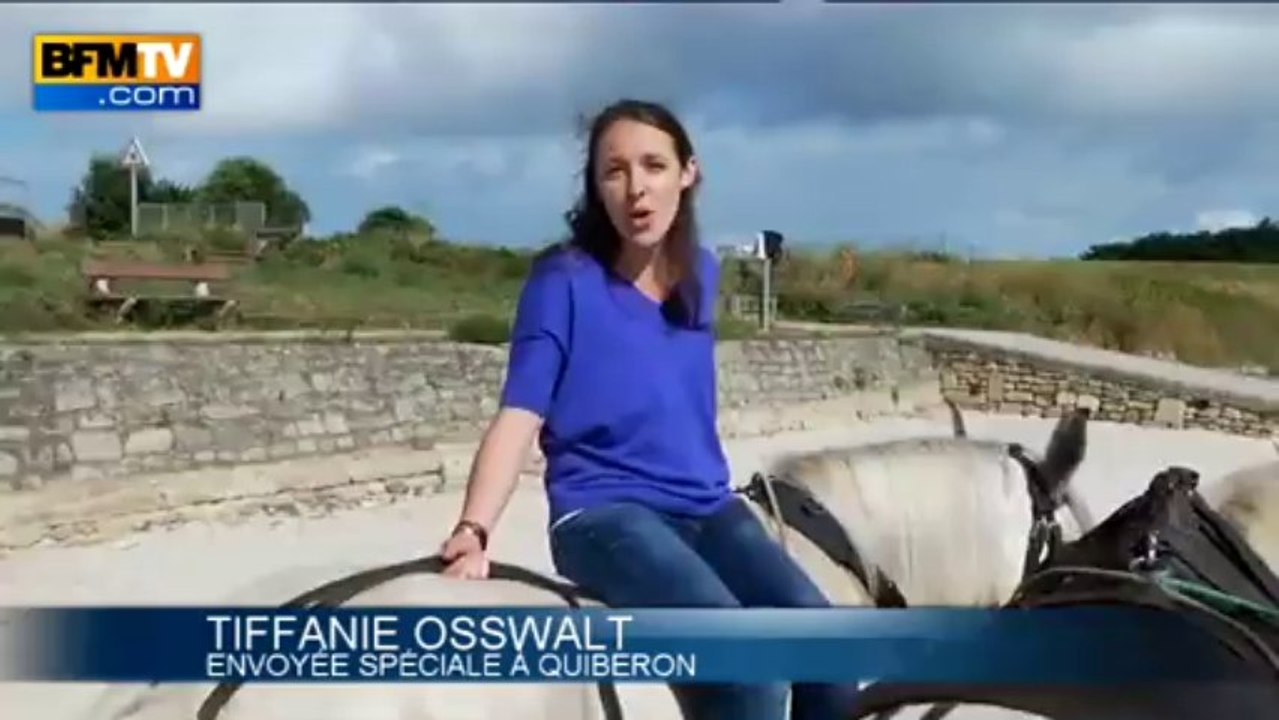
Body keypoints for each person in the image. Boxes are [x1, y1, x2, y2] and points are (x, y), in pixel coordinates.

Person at [439, 98, 857, 720]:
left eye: (654, 165)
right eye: (615, 171)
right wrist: (473, 530)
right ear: (597, 187)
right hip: (604, 516)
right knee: (746, 672)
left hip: (708, 508)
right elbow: (520, 413)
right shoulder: (562, 281)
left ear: (688, 173)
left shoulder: (701, 274)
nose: (636, 187)